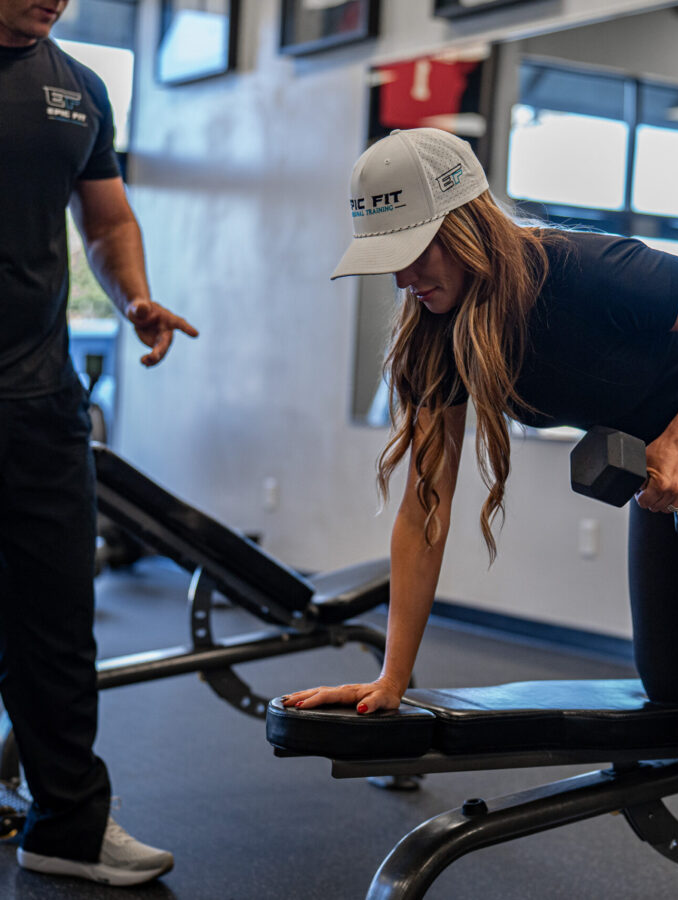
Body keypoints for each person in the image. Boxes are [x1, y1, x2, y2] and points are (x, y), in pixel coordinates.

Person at [282, 127, 678, 899]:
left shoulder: (580, 272)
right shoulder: (439, 335)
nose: (404, 275)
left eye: (416, 248)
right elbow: (427, 506)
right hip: (669, 451)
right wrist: (394, 676)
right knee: (674, 680)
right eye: (389, 255)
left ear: (464, 223)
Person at [0, 0, 198, 886]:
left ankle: (68, 827)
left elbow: (109, 220)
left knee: (56, 622)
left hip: (38, 398)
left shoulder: (77, 88)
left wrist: (133, 297)